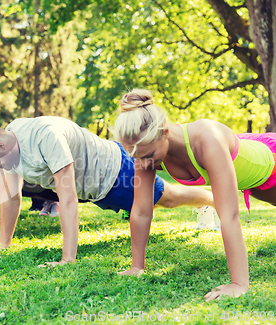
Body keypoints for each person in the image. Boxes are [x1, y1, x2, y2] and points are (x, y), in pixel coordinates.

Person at [0, 117, 216, 266]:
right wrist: (3, 243)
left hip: (116, 172)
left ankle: (209, 200)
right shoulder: (6, 149)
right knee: (163, 200)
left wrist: (67, 259)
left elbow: (67, 200)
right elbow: (10, 197)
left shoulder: (45, 137)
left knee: (168, 199)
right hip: (94, 189)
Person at [113, 89, 276, 301]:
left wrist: (239, 284)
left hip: (268, 162)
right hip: (250, 176)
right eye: (135, 157)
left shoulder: (207, 140)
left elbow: (229, 215)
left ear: (164, 131)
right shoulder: (145, 151)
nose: (142, 163)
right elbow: (142, 211)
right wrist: (137, 267)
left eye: (148, 156)